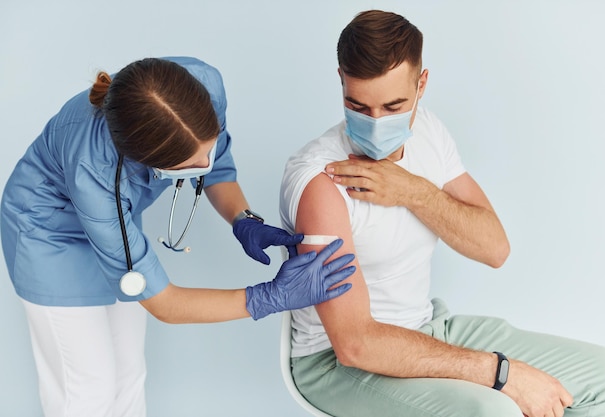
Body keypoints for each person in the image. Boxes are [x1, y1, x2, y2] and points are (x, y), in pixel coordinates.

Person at [279, 10, 605, 417]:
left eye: (393, 106)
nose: (375, 124)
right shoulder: (321, 181)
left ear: (421, 85)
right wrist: (500, 373)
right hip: (334, 363)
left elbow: (494, 248)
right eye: (358, 106)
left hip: (428, 329)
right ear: (341, 81)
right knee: (492, 410)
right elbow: (355, 343)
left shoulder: (427, 132)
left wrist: (415, 192)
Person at [0, 56, 356, 417]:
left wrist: (243, 219)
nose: (206, 163)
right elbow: (164, 304)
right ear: (147, 162)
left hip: (113, 225)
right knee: (88, 391)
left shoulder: (203, 85)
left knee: (129, 376)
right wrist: (267, 297)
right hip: (48, 235)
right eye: (189, 164)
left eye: (209, 147)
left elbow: (217, 168)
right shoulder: (100, 176)